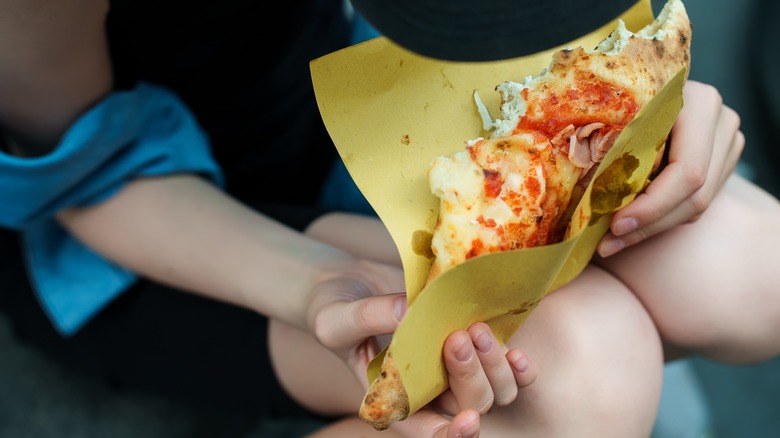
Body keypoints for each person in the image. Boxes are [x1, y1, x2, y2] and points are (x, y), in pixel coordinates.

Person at [0, 1, 777, 438]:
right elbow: (88, 173)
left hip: (367, 93)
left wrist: (646, 94)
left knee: (751, 270)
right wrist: (318, 288)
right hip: (138, 215)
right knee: (582, 383)